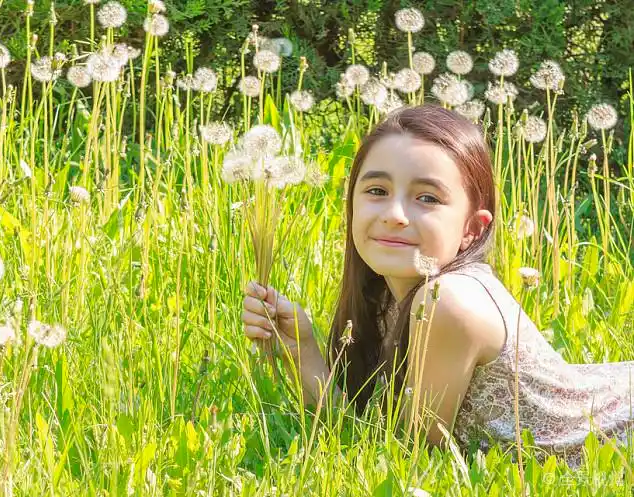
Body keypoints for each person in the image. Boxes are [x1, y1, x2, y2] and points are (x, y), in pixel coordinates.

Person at [241, 104, 633, 470]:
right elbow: (359, 438)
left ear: (472, 229)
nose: (394, 215)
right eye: (377, 191)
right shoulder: (387, 295)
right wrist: (303, 350)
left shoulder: (449, 301)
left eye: (426, 198)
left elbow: (405, 459)